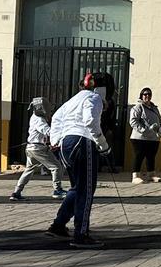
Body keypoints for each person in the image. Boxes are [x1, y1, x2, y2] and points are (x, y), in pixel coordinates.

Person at [45, 72, 112, 249]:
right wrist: (103, 144)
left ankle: (58, 225)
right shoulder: (94, 97)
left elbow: (57, 119)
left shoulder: (73, 99)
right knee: (86, 190)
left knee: (77, 187)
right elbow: (90, 121)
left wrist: (56, 141)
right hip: (83, 143)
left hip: (66, 145)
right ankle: (81, 234)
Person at [10, 97, 66, 201]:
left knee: (29, 170)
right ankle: (57, 190)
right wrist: (61, 132)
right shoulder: (39, 120)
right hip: (37, 149)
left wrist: (49, 143)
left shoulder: (35, 117)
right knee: (56, 167)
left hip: (32, 147)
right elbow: (48, 131)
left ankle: (16, 192)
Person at [129, 87, 161, 185]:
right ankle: (135, 176)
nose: (147, 96)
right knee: (139, 156)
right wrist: (144, 130)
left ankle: (151, 174)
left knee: (151, 156)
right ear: (141, 96)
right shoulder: (138, 107)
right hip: (140, 137)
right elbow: (133, 121)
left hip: (153, 138)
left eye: (149, 94)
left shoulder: (154, 108)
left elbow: (159, 120)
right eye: (145, 94)